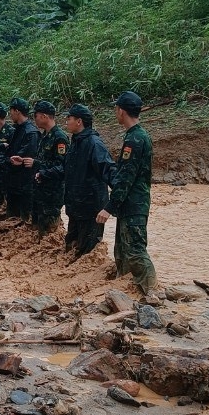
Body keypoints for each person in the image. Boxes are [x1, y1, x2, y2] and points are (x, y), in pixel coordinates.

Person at [98, 91, 157, 294]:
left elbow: (126, 178)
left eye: (116, 108)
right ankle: (125, 292)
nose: (116, 112)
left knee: (135, 252)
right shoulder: (134, 136)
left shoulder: (135, 139)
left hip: (134, 204)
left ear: (121, 111)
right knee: (122, 251)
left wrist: (109, 207)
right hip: (130, 204)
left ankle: (152, 293)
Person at [53, 104, 114, 260]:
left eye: (69, 118)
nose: (66, 122)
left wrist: (113, 204)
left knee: (88, 253)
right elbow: (67, 170)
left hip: (91, 210)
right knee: (71, 248)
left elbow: (109, 172)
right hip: (75, 207)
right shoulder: (76, 142)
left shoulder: (94, 144)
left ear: (79, 121)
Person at [30, 101, 70, 235]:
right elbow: (44, 160)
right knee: (40, 229)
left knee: (51, 231)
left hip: (52, 192)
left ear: (44, 116)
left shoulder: (59, 137)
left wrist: (39, 167)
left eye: (35, 116)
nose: (34, 119)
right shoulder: (44, 136)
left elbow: (62, 166)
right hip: (41, 190)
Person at [0, 97, 39, 221]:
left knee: (24, 219)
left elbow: (20, 158)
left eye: (11, 111)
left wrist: (1, 163)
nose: (10, 114)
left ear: (16, 111)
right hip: (13, 183)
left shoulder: (30, 132)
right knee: (12, 219)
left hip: (24, 184)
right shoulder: (18, 129)